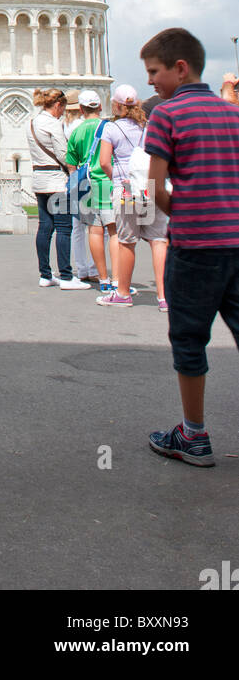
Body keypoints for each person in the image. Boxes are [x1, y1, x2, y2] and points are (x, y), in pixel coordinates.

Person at [141, 28, 239, 467]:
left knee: (189, 339)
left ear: (180, 68)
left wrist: (183, 210)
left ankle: (194, 435)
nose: (150, 82)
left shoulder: (167, 114)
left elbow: (154, 185)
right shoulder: (233, 113)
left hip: (196, 244)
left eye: (155, 72)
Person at [27, 87, 90, 289]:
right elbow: (63, 154)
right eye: (62, 108)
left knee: (45, 227)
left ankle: (45, 274)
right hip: (56, 180)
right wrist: (75, 168)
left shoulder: (32, 123)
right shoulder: (54, 125)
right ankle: (66, 276)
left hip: (39, 179)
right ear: (57, 105)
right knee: (64, 227)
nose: (63, 112)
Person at [95, 85, 148, 307]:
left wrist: (116, 178)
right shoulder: (145, 125)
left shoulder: (111, 128)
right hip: (147, 185)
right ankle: (165, 297)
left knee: (126, 240)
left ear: (116, 105)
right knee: (157, 240)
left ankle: (122, 292)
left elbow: (104, 161)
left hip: (125, 186)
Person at [63, 90, 108, 285]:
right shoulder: (108, 127)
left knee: (78, 227)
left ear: (81, 109)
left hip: (82, 180)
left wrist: (75, 179)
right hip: (105, 181)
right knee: (104, 228)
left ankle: (81, 269)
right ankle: (95, 268)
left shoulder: (76, 130)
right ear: (99, 106)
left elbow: (70, 160)